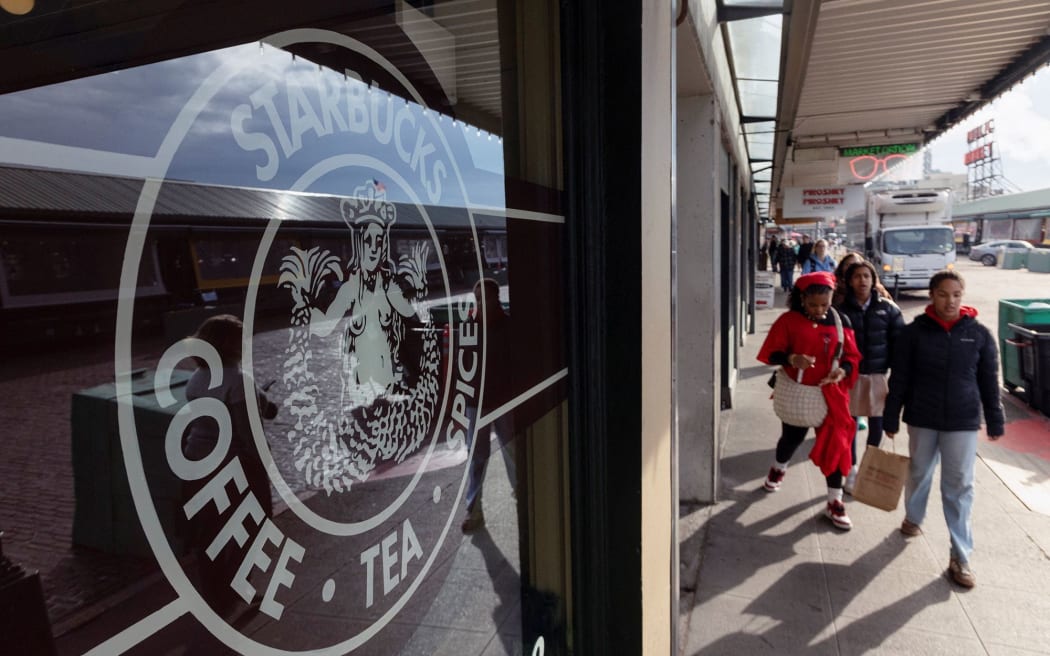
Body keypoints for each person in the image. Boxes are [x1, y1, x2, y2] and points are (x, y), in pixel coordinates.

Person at [883, 270, 1005, 588]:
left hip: (962, 420)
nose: (950, 301)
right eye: (943, 294)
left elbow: (989, 380)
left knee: (960, 486)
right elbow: (900, 378)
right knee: (919, 472)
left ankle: (960, 556)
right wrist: (890, 416)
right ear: (932, 295)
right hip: (922, 417)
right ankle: (914, 516)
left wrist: (995, 418)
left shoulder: (978, 334)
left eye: (956, 295)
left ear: (962, 296)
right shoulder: (913, 334)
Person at [182, 314, 278, 614]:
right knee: (254, 523)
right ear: (230, 344)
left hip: (198, 462)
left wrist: (258, 396)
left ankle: (213, 592)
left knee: (210, 530)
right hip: (235, 465)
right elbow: (249, 435)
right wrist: (265, 465)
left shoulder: (197, 378)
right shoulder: (238, 381)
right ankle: (238, 586)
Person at [758, 271, 861, 530]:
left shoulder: (841, 321)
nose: (819, 310)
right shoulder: (788, 321)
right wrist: (792, 359)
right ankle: (779, 467)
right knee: (791, 438)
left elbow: (852, 356)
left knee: (836, 446)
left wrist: (843, 371)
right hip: (799, 393)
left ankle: (834, 501)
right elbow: (771, 353)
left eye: (824, 304)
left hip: (831, 394)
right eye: (813, 304)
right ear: (802, 299)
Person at [835, 260, 904, 491]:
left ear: (874, 280)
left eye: (866, 276)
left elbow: (900, 344)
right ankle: (851, 470)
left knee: (877, 424)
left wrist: (897, 374)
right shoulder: (841, 310)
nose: (862, 280)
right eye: (857, 276)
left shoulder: (889, 309)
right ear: (849, 281)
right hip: (850, 376)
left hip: (878, 376)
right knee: (850, 425)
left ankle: (868, 466)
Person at [461, 278, 516, 532]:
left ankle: (520, 496)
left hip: (501, 398)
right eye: (478, 299)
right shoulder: (470, 328)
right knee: (478, 457)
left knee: (511, 451)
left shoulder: (508, 326)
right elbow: (462, 368)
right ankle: (474, 509)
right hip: (478, 401)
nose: (481, 304)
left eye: (485, 298)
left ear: (496, 299)